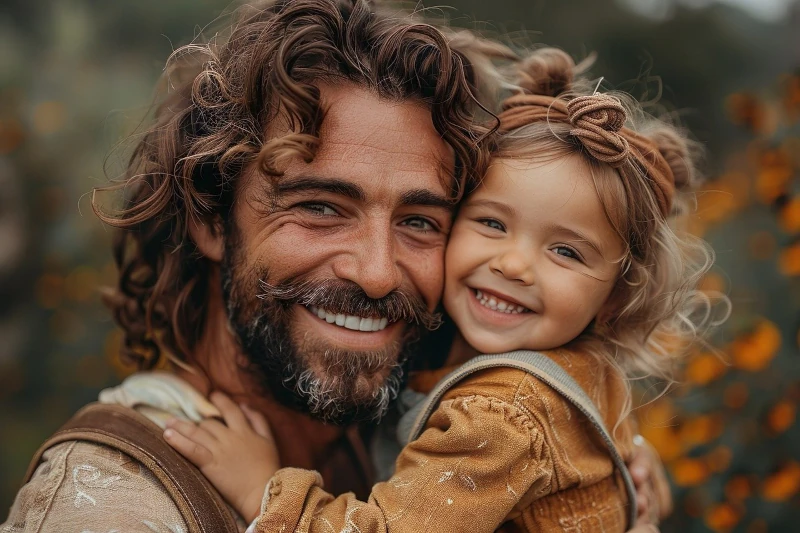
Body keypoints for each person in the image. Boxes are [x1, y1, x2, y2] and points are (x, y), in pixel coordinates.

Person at [2, 1, 668, 530]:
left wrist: (614, 483)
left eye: (419, 221)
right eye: (320, 207)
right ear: (210, 216)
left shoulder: (404, 426)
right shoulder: (117, 506)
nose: (377, 272)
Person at [163, 47, 718, 532]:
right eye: (492, 224)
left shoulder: (501, 417)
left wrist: (265, 491)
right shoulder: (550, 370)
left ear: (616, 299)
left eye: (566, 252)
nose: (515, 264)